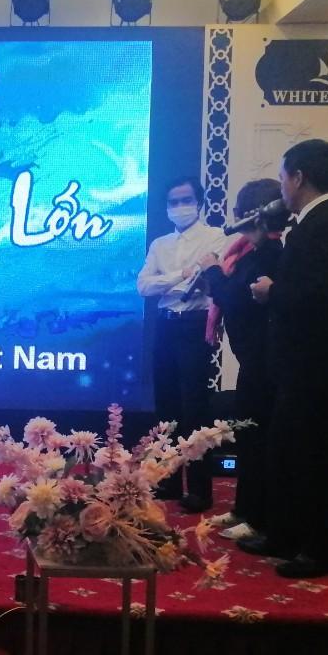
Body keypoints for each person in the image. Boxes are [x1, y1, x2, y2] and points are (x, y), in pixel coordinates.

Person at [241, 140, 328, 578]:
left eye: (282, 177)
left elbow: (323, 296)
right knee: (286, 452)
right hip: (297, 364)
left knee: (310, 459)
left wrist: (272, 292)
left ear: (299, 177)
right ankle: (284, 535)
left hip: (314, 366)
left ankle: (320, 551)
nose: (281, 188)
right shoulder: (313, 221)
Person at [196, 179, 285, 541]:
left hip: (266, 362)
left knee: (259, 441)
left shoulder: (271, 254)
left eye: (239, 211)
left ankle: (259, 516)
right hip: (251, 360)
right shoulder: (248, 252)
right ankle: (243, 509)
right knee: (248, 439)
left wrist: (212, 270)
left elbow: (235, 299)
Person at [136, 176, 230, 513]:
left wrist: (175, 282)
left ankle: (200, 490)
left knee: (195, 408)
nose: (179, 207)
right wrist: (181, 276)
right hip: (165, 324)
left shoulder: (215, 237)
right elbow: (144, 286)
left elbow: (207, 282)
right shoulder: (160, 244)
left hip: (195, 324)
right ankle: (169, 481)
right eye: (173, 202)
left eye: (186, 200)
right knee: (166, 407)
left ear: (199, 203)